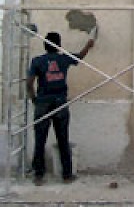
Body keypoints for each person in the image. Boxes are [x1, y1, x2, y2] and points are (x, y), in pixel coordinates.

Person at [26, 31, 95, 185]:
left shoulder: (37, 61)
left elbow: (29, 83)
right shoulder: (64, 58)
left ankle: (38, 176)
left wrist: (34, 99)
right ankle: (67, 175)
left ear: (45, 45)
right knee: (63, 139)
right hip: (60, 103)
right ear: (59, 45)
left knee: (40, 140)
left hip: (42, 103)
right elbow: (80, 56)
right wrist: (88, 45)